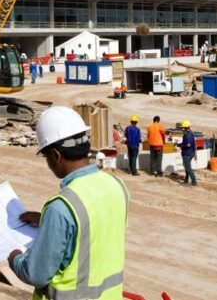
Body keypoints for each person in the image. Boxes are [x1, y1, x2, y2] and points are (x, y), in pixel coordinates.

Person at [8, 107, 129, 299]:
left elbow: (36, 274)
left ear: (56, 155)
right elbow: (93, 228)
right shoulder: (116, 185)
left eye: (46, 156)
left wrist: (14, 257)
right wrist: (48, 223)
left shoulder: (61, 207)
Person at [179, 120, 197, 186]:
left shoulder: (187, 135)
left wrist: (180, 145)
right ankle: (186, 179)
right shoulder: (190, 133)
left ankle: (194, 181)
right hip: (190, 153)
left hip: (187, 153)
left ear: (185, 127)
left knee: (188, 167)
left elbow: (188, 144)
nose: (182, 129)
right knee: (187, 166)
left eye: (182, 127)